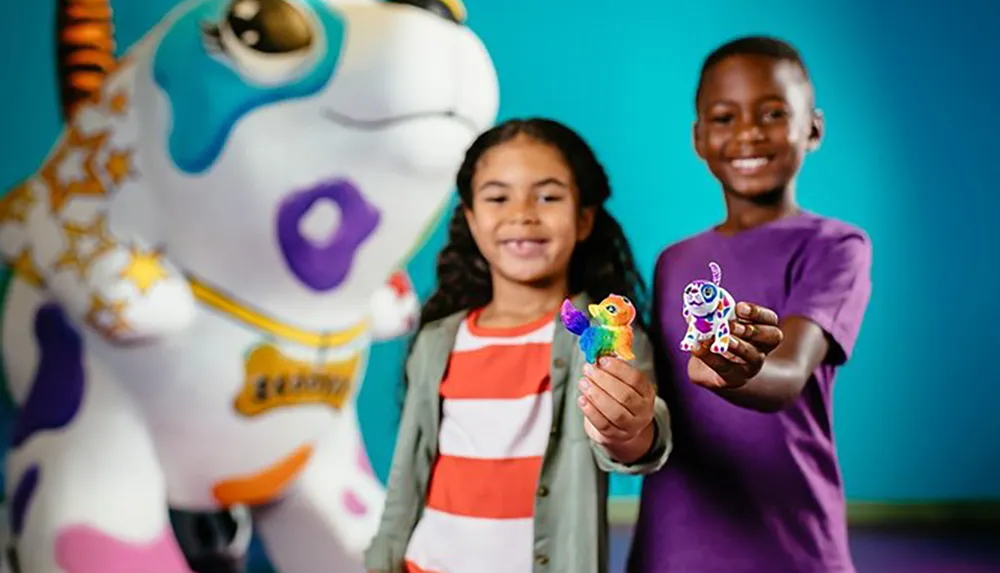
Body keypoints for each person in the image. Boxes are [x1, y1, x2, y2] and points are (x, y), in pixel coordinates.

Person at [364, 118, 779, 573]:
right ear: (470, 219)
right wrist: (382, 559)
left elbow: (638, 439)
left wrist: (627, 426)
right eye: (498, 197)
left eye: (548, 196)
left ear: (583, 219)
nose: (522, 213)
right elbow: (408, 472)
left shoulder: (609, 339)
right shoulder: (437, 341)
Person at [627, 36, 874, 573]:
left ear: (813, 128)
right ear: (698, 138)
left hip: (792, 543)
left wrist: (734, 370)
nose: (748, 133)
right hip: (674, 545)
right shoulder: (674, 261)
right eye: (724, 117)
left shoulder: (835, 246)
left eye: (772, 113)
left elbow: (786, 375)